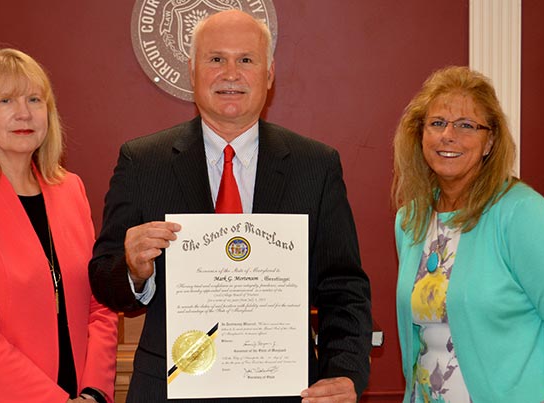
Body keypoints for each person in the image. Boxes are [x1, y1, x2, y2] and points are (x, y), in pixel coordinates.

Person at [89, 9, 371, 403]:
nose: (231, 73)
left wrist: (345, 372)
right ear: (192, 70)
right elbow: (104, 280)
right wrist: (134, 270)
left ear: (269, 74)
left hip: (288, 391)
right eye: (216, 59)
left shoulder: (316, 167)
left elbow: (343, 288)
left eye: (246, 60)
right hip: (168, 390)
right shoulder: (142, 162)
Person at [0, 48, 119, 402]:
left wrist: (96, 390)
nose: (24, 113)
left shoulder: (70, 189)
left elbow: (98, 304)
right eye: (5, 100)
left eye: (34, 99)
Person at [392, 65, 544, 403]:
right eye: (437, 123)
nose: (448, 135)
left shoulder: (521, 213)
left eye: (467, 125)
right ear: (420, 134)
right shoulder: (410, 220)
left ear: (489, 142)